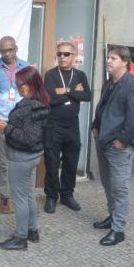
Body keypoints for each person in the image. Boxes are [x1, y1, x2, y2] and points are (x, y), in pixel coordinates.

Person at [91, 45, 134, 246]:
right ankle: (112, 215)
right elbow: (103, 108)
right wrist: (95, 125)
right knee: (108, 183)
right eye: (108, 57)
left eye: (113, 58)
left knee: (120, 188)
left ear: (125, 62)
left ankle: (118, 229)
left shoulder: (133, 86)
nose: (108, 61)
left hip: (119, 146)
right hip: (103, 141)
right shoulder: (109, 83)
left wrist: (122, 141)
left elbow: (133, 119)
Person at [0, 67, 49, 251]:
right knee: (28, 195)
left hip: (22, 157)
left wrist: (6, 128)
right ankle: (32, 231)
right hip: (31, 156)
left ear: (32, 84)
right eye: (16, 84)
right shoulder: (37, 102)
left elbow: (29, 138)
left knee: (19, 198)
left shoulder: (31, 107)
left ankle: (20, 238)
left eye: (21, 84)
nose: (18, 88)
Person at [42, 42, 91, 214]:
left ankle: (67, 195)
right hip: (53, 125)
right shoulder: (50, 75)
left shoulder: (80, 75)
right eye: (59, 54)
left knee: (71, 161)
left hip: (72, 125)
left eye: (66, 54)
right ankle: (51, 196)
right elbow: (49, 99)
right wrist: (74, 92)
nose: (62, 57)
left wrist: (65, 91)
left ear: (74, 55)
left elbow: (87, 95)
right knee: (52, 162)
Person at [0, 36, 29, 214]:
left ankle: (19, 193)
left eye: (10, 50)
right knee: (3, 162)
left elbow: (31, 94)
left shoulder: (25, 66)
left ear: (16, 49)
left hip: (20, 122)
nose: (7, 54)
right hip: (0, 121)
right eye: (3, 51)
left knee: (20, 159)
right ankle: (4, 196)